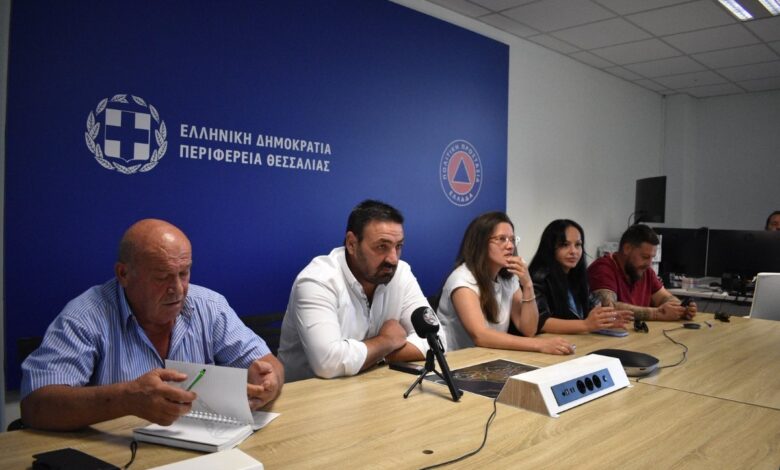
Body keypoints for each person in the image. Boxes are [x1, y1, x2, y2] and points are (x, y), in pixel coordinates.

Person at [20, 219, 284, 431]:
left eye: (184, 273)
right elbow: (36, 406)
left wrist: (267, 382)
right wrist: (126, 399)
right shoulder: (85, 317)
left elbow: (269, 364)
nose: (178, 289)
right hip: (120, 452)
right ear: (124, 274)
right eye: (162, 277)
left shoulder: (210, 306)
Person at [278, 200, 439, 382]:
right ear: (351, 244)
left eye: (398, 246)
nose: (393, 259)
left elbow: (436, 340)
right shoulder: (317, 280)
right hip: (308, 394)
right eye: (382, 246)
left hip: (368, 386)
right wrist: (387, 340)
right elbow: (328, 363)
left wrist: (379, 355)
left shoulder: (401, 273)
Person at [436, 212, 575, 354]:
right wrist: (539, 344)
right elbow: (481, 336)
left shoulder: (508, 278)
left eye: (512, 239)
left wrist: (527, 285)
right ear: (481, 243)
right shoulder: (462, 280)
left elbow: (528, 329)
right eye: (502, 239)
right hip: (457, 360)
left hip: (490, 356)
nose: (510, 246)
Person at [529, 219, 633, 334]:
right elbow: (540, 322)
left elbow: (590, 309)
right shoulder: (538, 277)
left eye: (578, 244)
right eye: (565, 245)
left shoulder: (576, 275)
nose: (573, 251)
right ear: (550, 248)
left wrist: (607, 318)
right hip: (550, 342)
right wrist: (585, 325)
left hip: (574, 340)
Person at [588, 224, 696, 322]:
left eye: (652, 258)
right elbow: (608, 307)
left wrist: (681, 308)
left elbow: (664, 298)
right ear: (627, 248)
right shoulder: (602, 268)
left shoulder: (645, 271)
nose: (649, 264)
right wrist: (656, 314)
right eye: (645, 257)